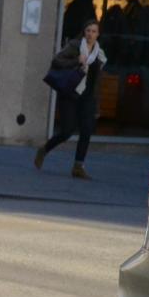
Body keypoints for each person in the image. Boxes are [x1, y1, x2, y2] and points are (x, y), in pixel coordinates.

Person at [35, 19, 106, 179]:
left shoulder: (99, 54)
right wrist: (76, 61)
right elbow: (56, 60)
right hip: (70, 93)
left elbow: (98, 81)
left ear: (98, 34)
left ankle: (78, 166)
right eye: (88, 31)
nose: (90, 34)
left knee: (86, 131)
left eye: (94, 31)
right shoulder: (75, 46)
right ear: (84, 32)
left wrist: (98, 104)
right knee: (67, 131)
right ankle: (45, 149)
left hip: (87, 96)